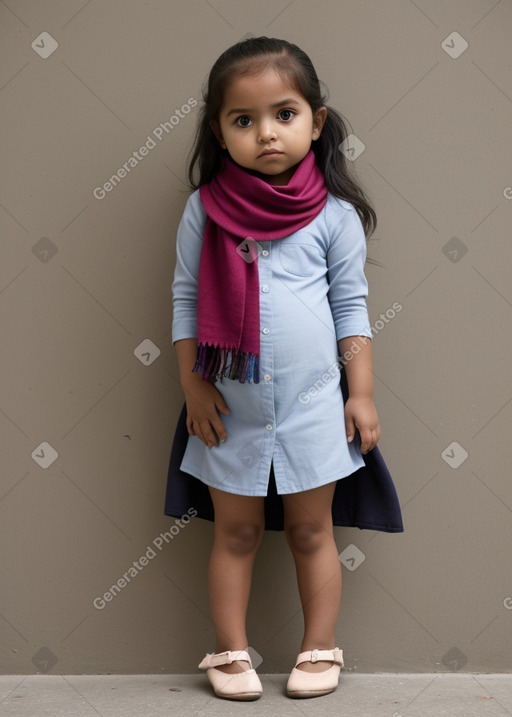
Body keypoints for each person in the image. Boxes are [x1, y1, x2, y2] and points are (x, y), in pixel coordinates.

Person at [168, 36, 398, 701]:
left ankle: (319, 646)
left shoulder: (333, 215)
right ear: (219, 129)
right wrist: (192, 383)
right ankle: (230, 651)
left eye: (284, 113)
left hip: (314, 405)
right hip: (228, 407)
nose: (265, 132)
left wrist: (362, 395)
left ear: (316, 121)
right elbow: (186, 297)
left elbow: (351, 308)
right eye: (243, 119)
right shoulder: (203, 211)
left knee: (309, 528)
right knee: (235, 530)